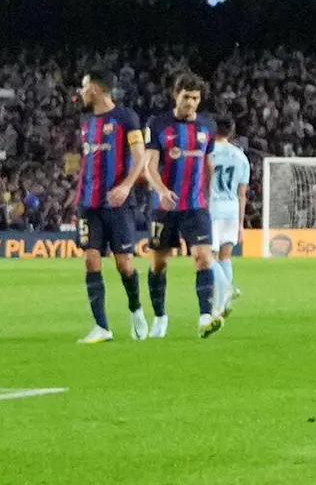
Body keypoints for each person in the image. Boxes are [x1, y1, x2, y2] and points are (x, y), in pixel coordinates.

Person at [70, 76, 159, 345]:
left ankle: (136, 310)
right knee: (91, 260)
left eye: (84, 86)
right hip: (88, 202)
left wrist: (126, 186)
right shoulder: (86, 122)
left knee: (124, 264)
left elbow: (140, 155)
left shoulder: (125, 117)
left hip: (117, 203)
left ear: (96, 89)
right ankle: (101, 326)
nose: (82, 92)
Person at [143, 81, 224, 341]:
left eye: (196, 98)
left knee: (203, 257)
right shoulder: (158, 124)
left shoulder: (207, 127)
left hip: (196, 206)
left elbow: (208, 164)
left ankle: (205, 318)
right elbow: (150, 166)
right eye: (186, 97)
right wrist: (162, 191)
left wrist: (211, 197)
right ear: (175, 95)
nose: (191, 103)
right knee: (159, 264)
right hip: (164, 207)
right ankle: (160, 317)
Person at [207, 127, 253, 311]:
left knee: (208, 256)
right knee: (226, 256)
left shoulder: (208, 152)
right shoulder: (240, 156)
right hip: (232, 210)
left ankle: (226, 289)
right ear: (231, 132)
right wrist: (241, 224)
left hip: (212, 208)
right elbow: (242, 194)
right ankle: (221, 306)